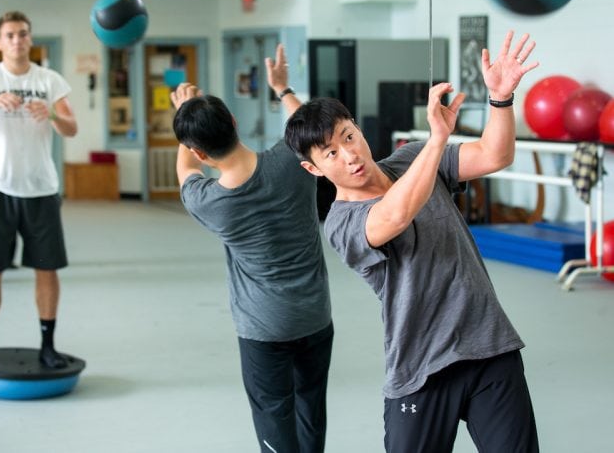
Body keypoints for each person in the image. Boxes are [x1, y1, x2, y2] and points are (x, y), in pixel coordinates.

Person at [284, 31, 540, 452]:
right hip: (422, 365)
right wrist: (437, 141)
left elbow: (495, 155)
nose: (349, 155)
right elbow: (395, 214)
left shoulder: (411, 159)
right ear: (313, 169)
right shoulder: (342, 223)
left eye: (348, 136)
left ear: (359, 130)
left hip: (489, 346)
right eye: (330, 153)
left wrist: (501, 99)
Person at [170, 44, 333, 453]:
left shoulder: (209, 202)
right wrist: (282, 88)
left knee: (273, 414)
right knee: (310, 408)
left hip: (264, 329)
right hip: (315, 316)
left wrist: (185, 115)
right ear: (234, 122)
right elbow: (306, 124)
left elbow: (185, 170)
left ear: (200, 152)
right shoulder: (292, 160)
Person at [0, 11, 78, 369]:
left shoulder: (50, 80)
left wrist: (51, 114)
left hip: (40, 189)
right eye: (10, 35)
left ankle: (48, 346)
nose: (17, 40)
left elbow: (71, 128)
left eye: (23, 34)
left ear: (30, 39)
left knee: (46, 269)